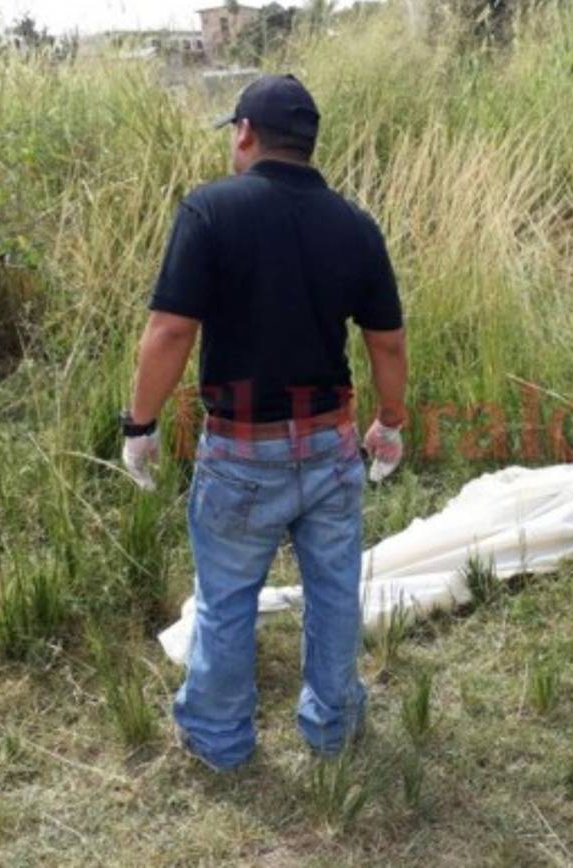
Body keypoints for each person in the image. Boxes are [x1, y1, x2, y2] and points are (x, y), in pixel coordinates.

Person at [118, 74, 408, 771]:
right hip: (332, 441)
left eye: (232, 132)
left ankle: (220, 740)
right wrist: (389, 423)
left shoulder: (210, 210)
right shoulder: (355, 224)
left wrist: (140, 424)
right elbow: (387, 342)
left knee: (226, 599)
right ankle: (332, 728)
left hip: (243, 448)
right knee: (335, 591)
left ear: (244, 132)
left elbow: (168, 332)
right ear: (308, 143)